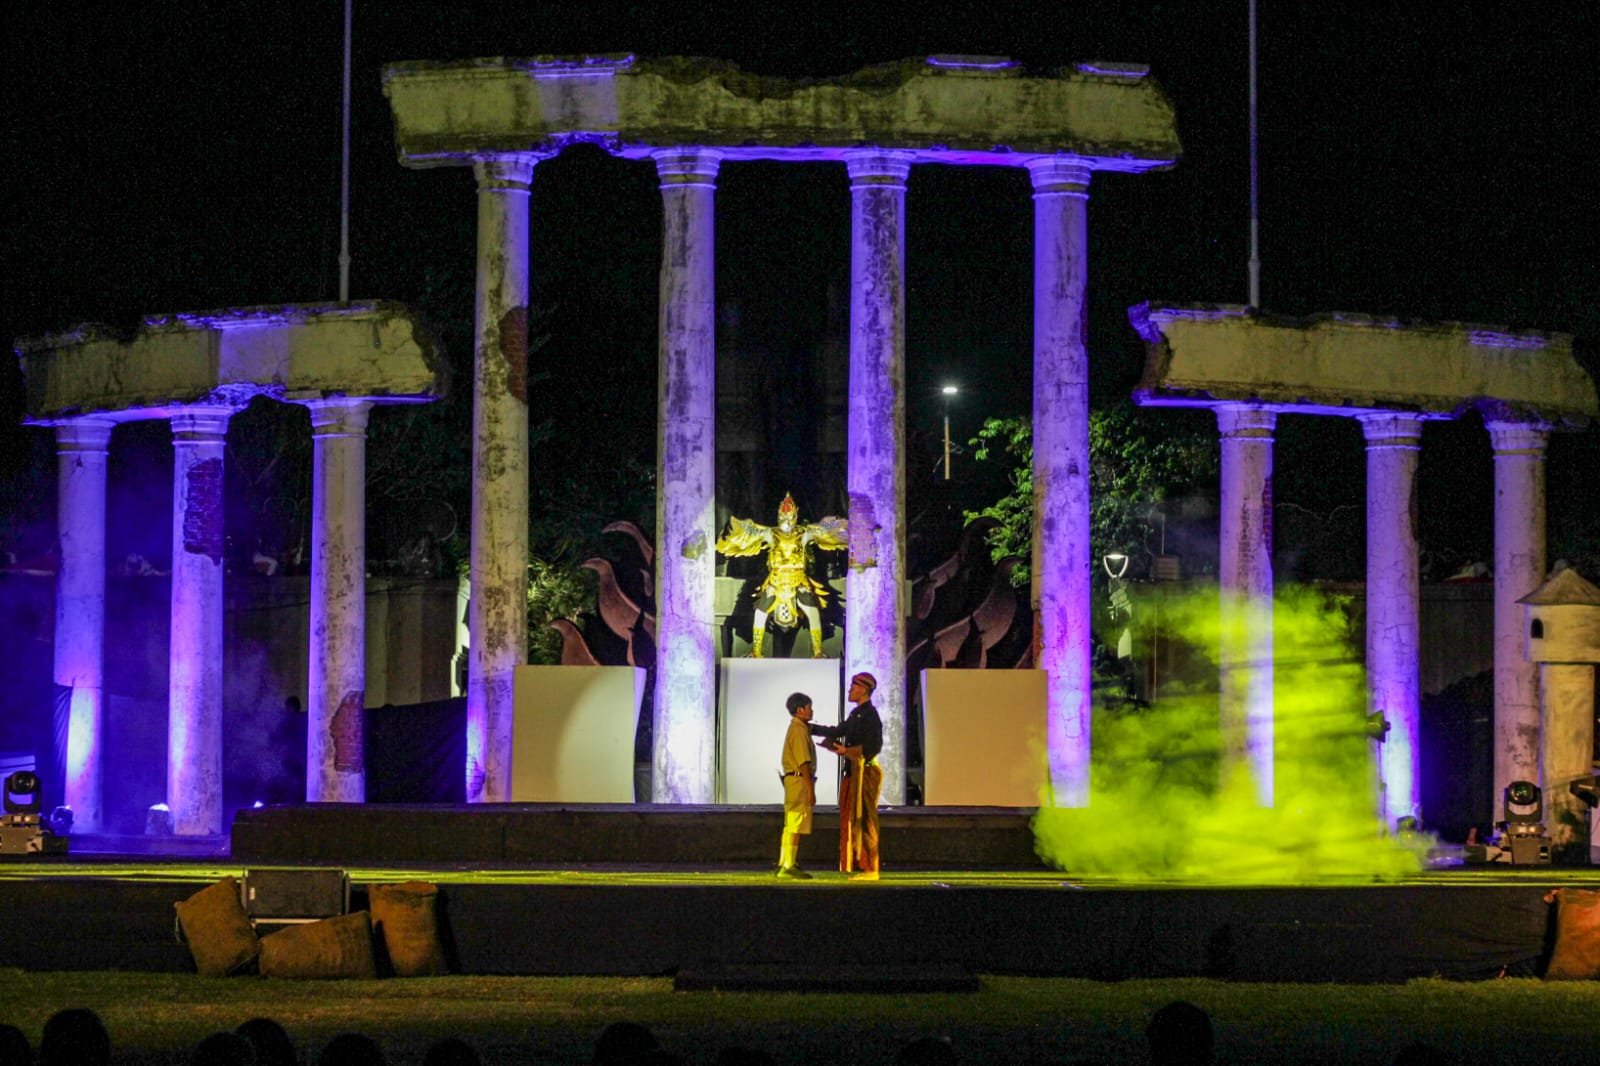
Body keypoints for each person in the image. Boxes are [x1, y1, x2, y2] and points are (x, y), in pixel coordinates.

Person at [715, 493, 846, 658]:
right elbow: (751, 532)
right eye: (783, 517)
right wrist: (735, 533)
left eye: (790, 517)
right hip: (776, 581)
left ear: (795, 516)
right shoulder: (771, 534)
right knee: (760, 613)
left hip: (798, 580)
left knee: (812, 611)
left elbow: (825, 531)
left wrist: (839, 529)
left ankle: (818, 651)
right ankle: (756, 651)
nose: (786, 521)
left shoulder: (803, 533)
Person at [812, 671, 883, 880]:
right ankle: (853, 864)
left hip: (865, 773)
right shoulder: (856, 714)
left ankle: (871, 868)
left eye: (853, 687)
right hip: (852, 773)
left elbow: (873, 746)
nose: (850, 690)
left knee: (865, 818)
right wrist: (809, 728)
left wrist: (846, 752)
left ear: (863, 689)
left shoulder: (870, 715)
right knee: (849, 818)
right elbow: (838, 730)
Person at [777, 691, 817, 879]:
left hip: (792, 780)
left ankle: (785, 862)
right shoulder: (799, 729)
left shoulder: (797, 728)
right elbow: (803, 762)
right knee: (796, 822)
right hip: (799, 780)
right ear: (800, 710)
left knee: (790, 823)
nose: (812, 711)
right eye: (809, 708)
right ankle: (789, 865)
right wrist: (810, 788)